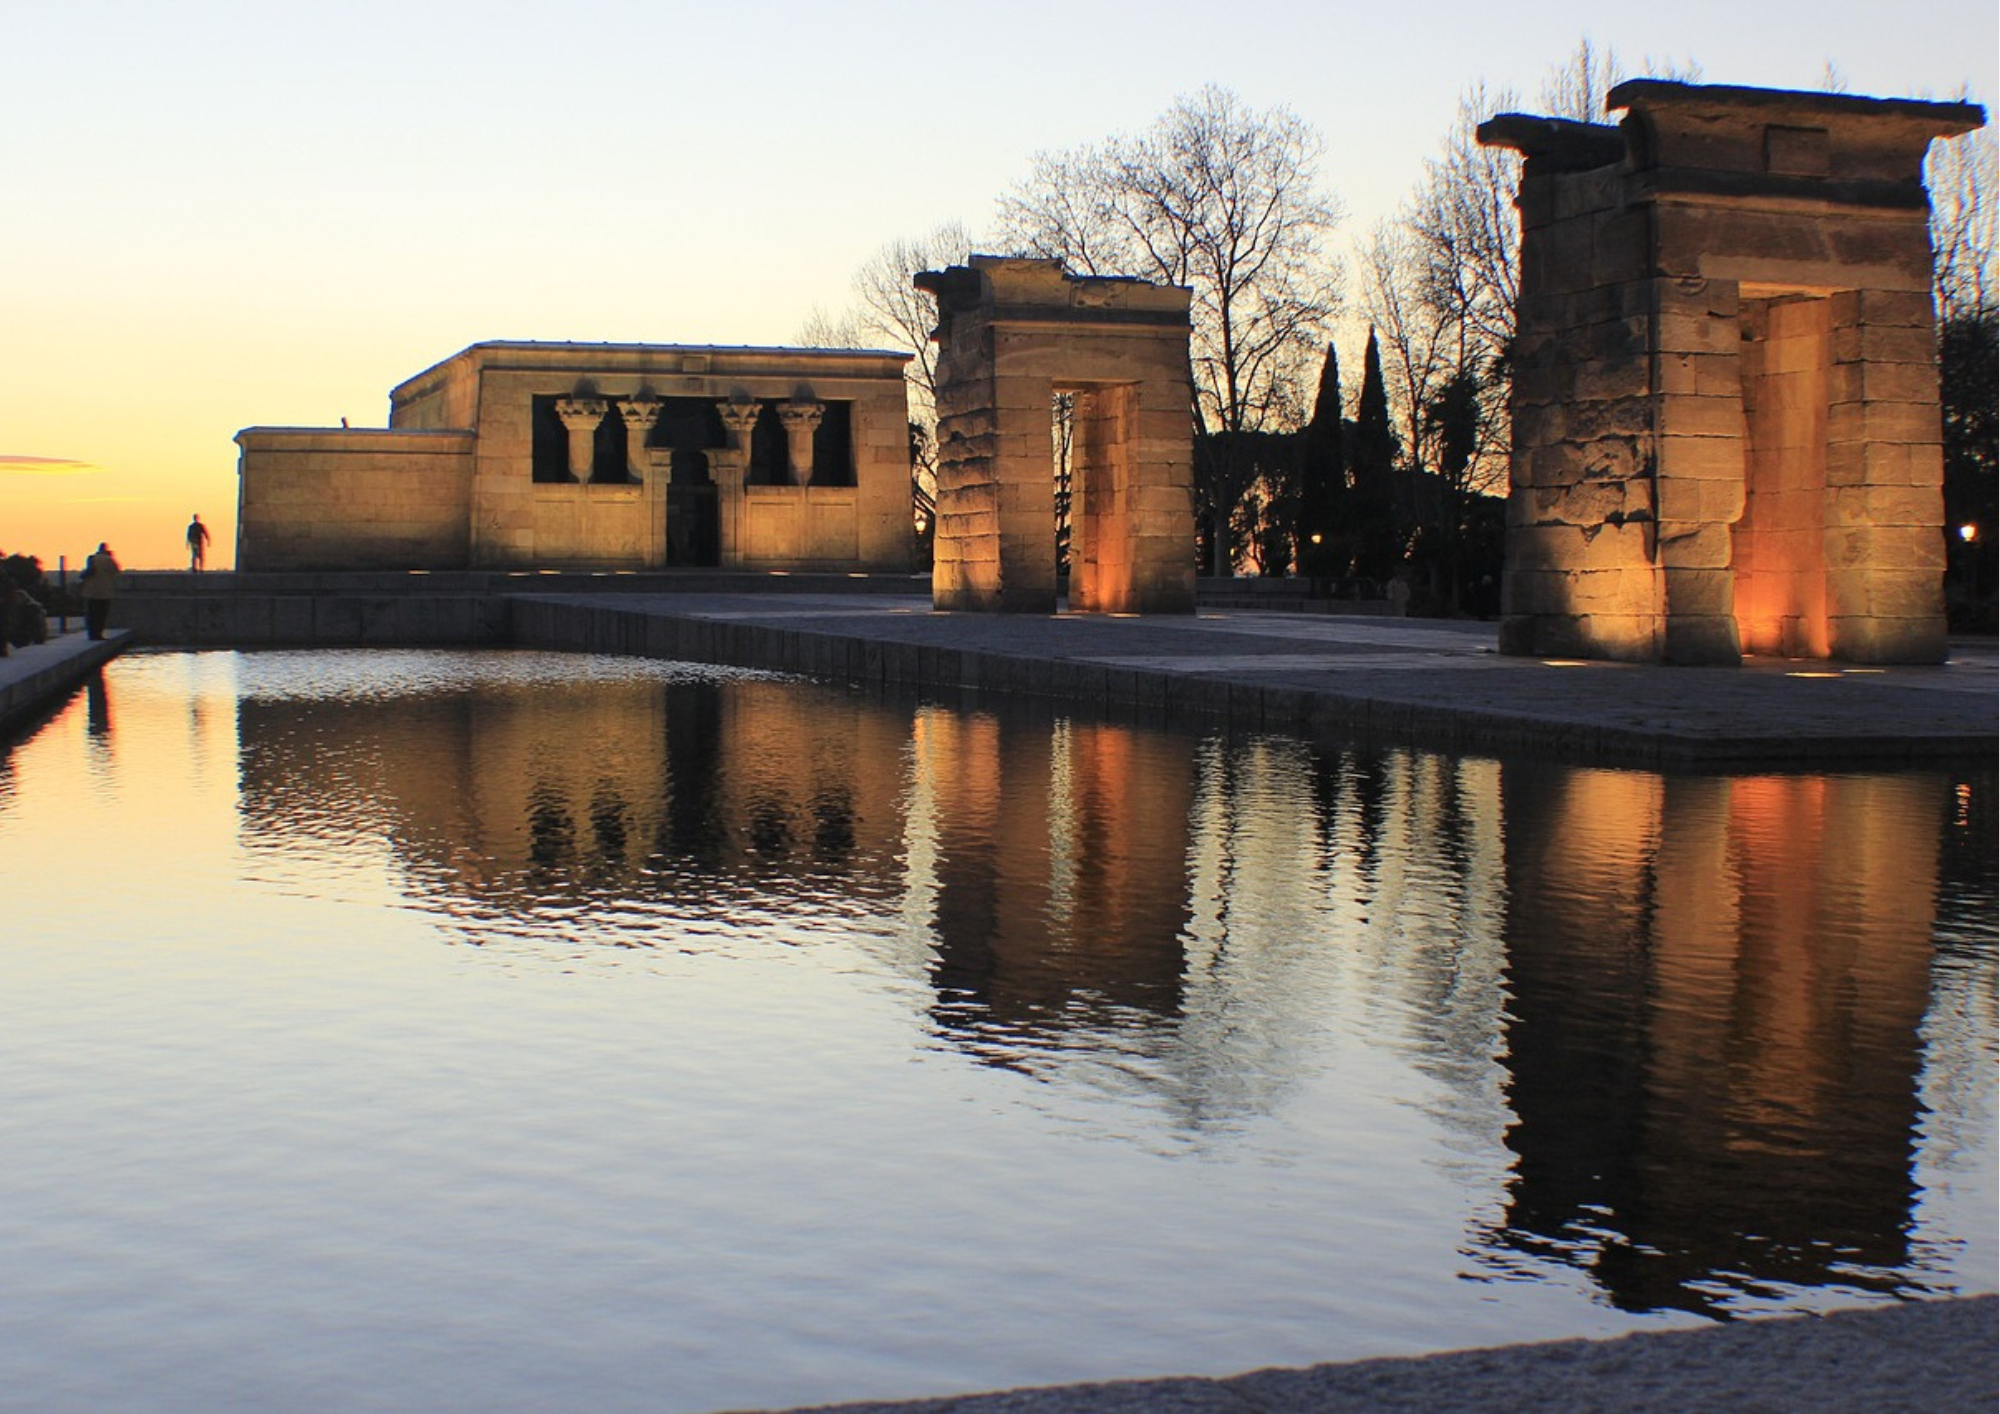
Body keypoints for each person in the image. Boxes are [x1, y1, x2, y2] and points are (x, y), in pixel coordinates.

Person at [80, 542, 120, 641]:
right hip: (105, 592)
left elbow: (87, 572)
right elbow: (116, 571)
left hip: (91, 591)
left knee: (91, 614)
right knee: (101, 615)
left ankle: (92, 634)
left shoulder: (92, 558)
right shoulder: (110, 560)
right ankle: (99, 634)